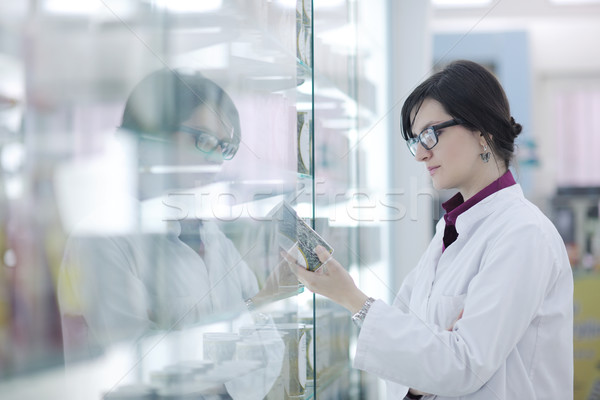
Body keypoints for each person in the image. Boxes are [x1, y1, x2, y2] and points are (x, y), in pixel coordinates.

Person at [290, 60, 573, 400]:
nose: (420, 155)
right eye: (414, 141)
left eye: (430, 135)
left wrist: (351, 297)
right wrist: (432, 360)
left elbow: (461, 367)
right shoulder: (449, 231)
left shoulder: (524, 234)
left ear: (482, 132)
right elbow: (411, 357)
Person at [57, 68, 293, 399]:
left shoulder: (213, 239)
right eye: (204, 140)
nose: (215, 161)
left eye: (225, 147)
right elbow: (140, 373)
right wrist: (237, 355)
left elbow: (270, 351)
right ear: (149, 138)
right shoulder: (102, 239)